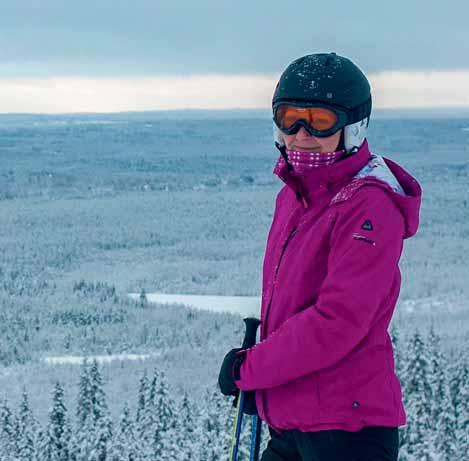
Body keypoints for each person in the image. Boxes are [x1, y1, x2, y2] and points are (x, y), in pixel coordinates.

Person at [218, 52, 423, 461]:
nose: (301, 133)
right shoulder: (295, 195)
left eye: (320, 120)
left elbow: (337, 322)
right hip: (294, 424)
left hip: (347, 432)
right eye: (289, 116)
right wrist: (264, 383)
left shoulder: (369, 207)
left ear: (354, 126)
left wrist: (251, 368)